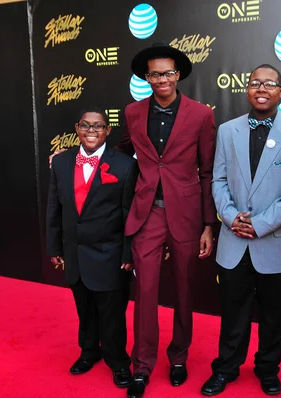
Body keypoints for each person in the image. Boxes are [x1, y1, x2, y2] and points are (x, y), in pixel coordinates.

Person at [201, 64, 281, 396]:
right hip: (234, 240)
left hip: (276, 242)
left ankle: (267, 369)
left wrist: (260, 225)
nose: (261, 88)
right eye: (255, 83)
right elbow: (217, 180)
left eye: (269, 84)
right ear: (247, 89)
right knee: (233, 313)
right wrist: (231, 217)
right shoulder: (227, 131)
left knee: (274, 315)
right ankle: (226, 368)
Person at [119, 42, 217, 398]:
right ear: (146, 78)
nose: (162, 79)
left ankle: (179, 356)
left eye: (168, 73)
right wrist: (74, 154)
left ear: (179, 76)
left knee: (184, 290)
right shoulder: (131, 112)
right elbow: (121, 151)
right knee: (144, 292)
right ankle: (141, 366)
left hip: (188, 215)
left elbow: (207, 171)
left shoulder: (202, 114)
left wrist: (209, 224)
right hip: (147, 213)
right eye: (155, 74)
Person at [46, 107, 138, 389]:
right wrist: (54, 246)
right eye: (85, 125)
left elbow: (129, 214)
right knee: (83, 309)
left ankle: (118, 361)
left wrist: (127, 252)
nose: (91, 131)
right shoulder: (60, 163)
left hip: (110, 255)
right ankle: (88, 352)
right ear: (77, 128)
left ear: (107, 131)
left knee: (112, 313)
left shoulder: (124, 165)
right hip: (74, 253)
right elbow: (54, 208)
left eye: (97, 126)